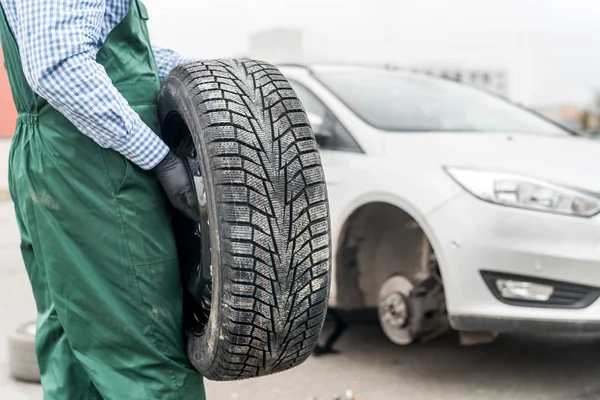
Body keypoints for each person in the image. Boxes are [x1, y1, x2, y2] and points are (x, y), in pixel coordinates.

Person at [0, 0, 206, 398]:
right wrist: (159, 157)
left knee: (78, 350)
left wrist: (223, 86)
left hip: (68, 158)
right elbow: (60, 66)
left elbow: (125, 60)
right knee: (146, 356)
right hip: (97, 166)